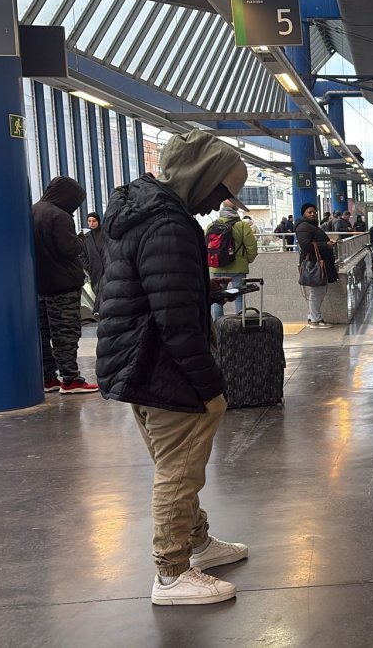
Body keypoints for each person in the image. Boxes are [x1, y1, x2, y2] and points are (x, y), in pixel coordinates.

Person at [96, 129, 251, 605]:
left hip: (135, 360)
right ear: (202, 177)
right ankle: (171, 572)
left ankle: (197, 543)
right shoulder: (170, 225)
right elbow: (177, 322)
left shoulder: (140, 214)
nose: (220, 202)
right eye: (223, 190)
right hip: (162, 365)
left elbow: (148, 293)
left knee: (176, 464)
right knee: (179, 472)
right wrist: (211, 386)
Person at [34, 177, 99, 394]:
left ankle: (48, 378)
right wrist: (81, 240)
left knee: (44, 334)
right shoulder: (59, 216)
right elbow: (69, 249)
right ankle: (71, 379)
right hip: (63, 284)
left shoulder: (33, 211)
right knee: (66, 334)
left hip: (41, 285)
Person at [205, 200, 258, 319]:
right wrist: (246, 260)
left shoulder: (211, 225)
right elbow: (252, 247)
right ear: (236, 210)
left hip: (217, 267)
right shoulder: (242, 225)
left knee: (217, 298)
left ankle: (218, 325)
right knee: (239, 296)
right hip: (238, 268)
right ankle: (240, 324)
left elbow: (206, 246)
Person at [295, 202, 338, 328]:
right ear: (303, 213)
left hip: (318, 262)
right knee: (317, 291)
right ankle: (315, 319)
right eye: (309, 212)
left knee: (318, 290)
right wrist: (326, 245)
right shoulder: (303, 227)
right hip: (313, 263)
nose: (312, 214)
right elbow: (306, 245)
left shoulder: (310, 226)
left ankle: (312, 316)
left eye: (314, 212)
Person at [80, 211, 107, 315]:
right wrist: (88, 267)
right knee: (99, 289)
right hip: (94, 270)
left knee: (104, 288)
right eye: (89, 221)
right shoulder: (86, 238)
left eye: (94, 221)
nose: (91, 223)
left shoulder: (105, 234)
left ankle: (98, 310)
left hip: (106, 267)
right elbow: (83, 255)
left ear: (98, 222)